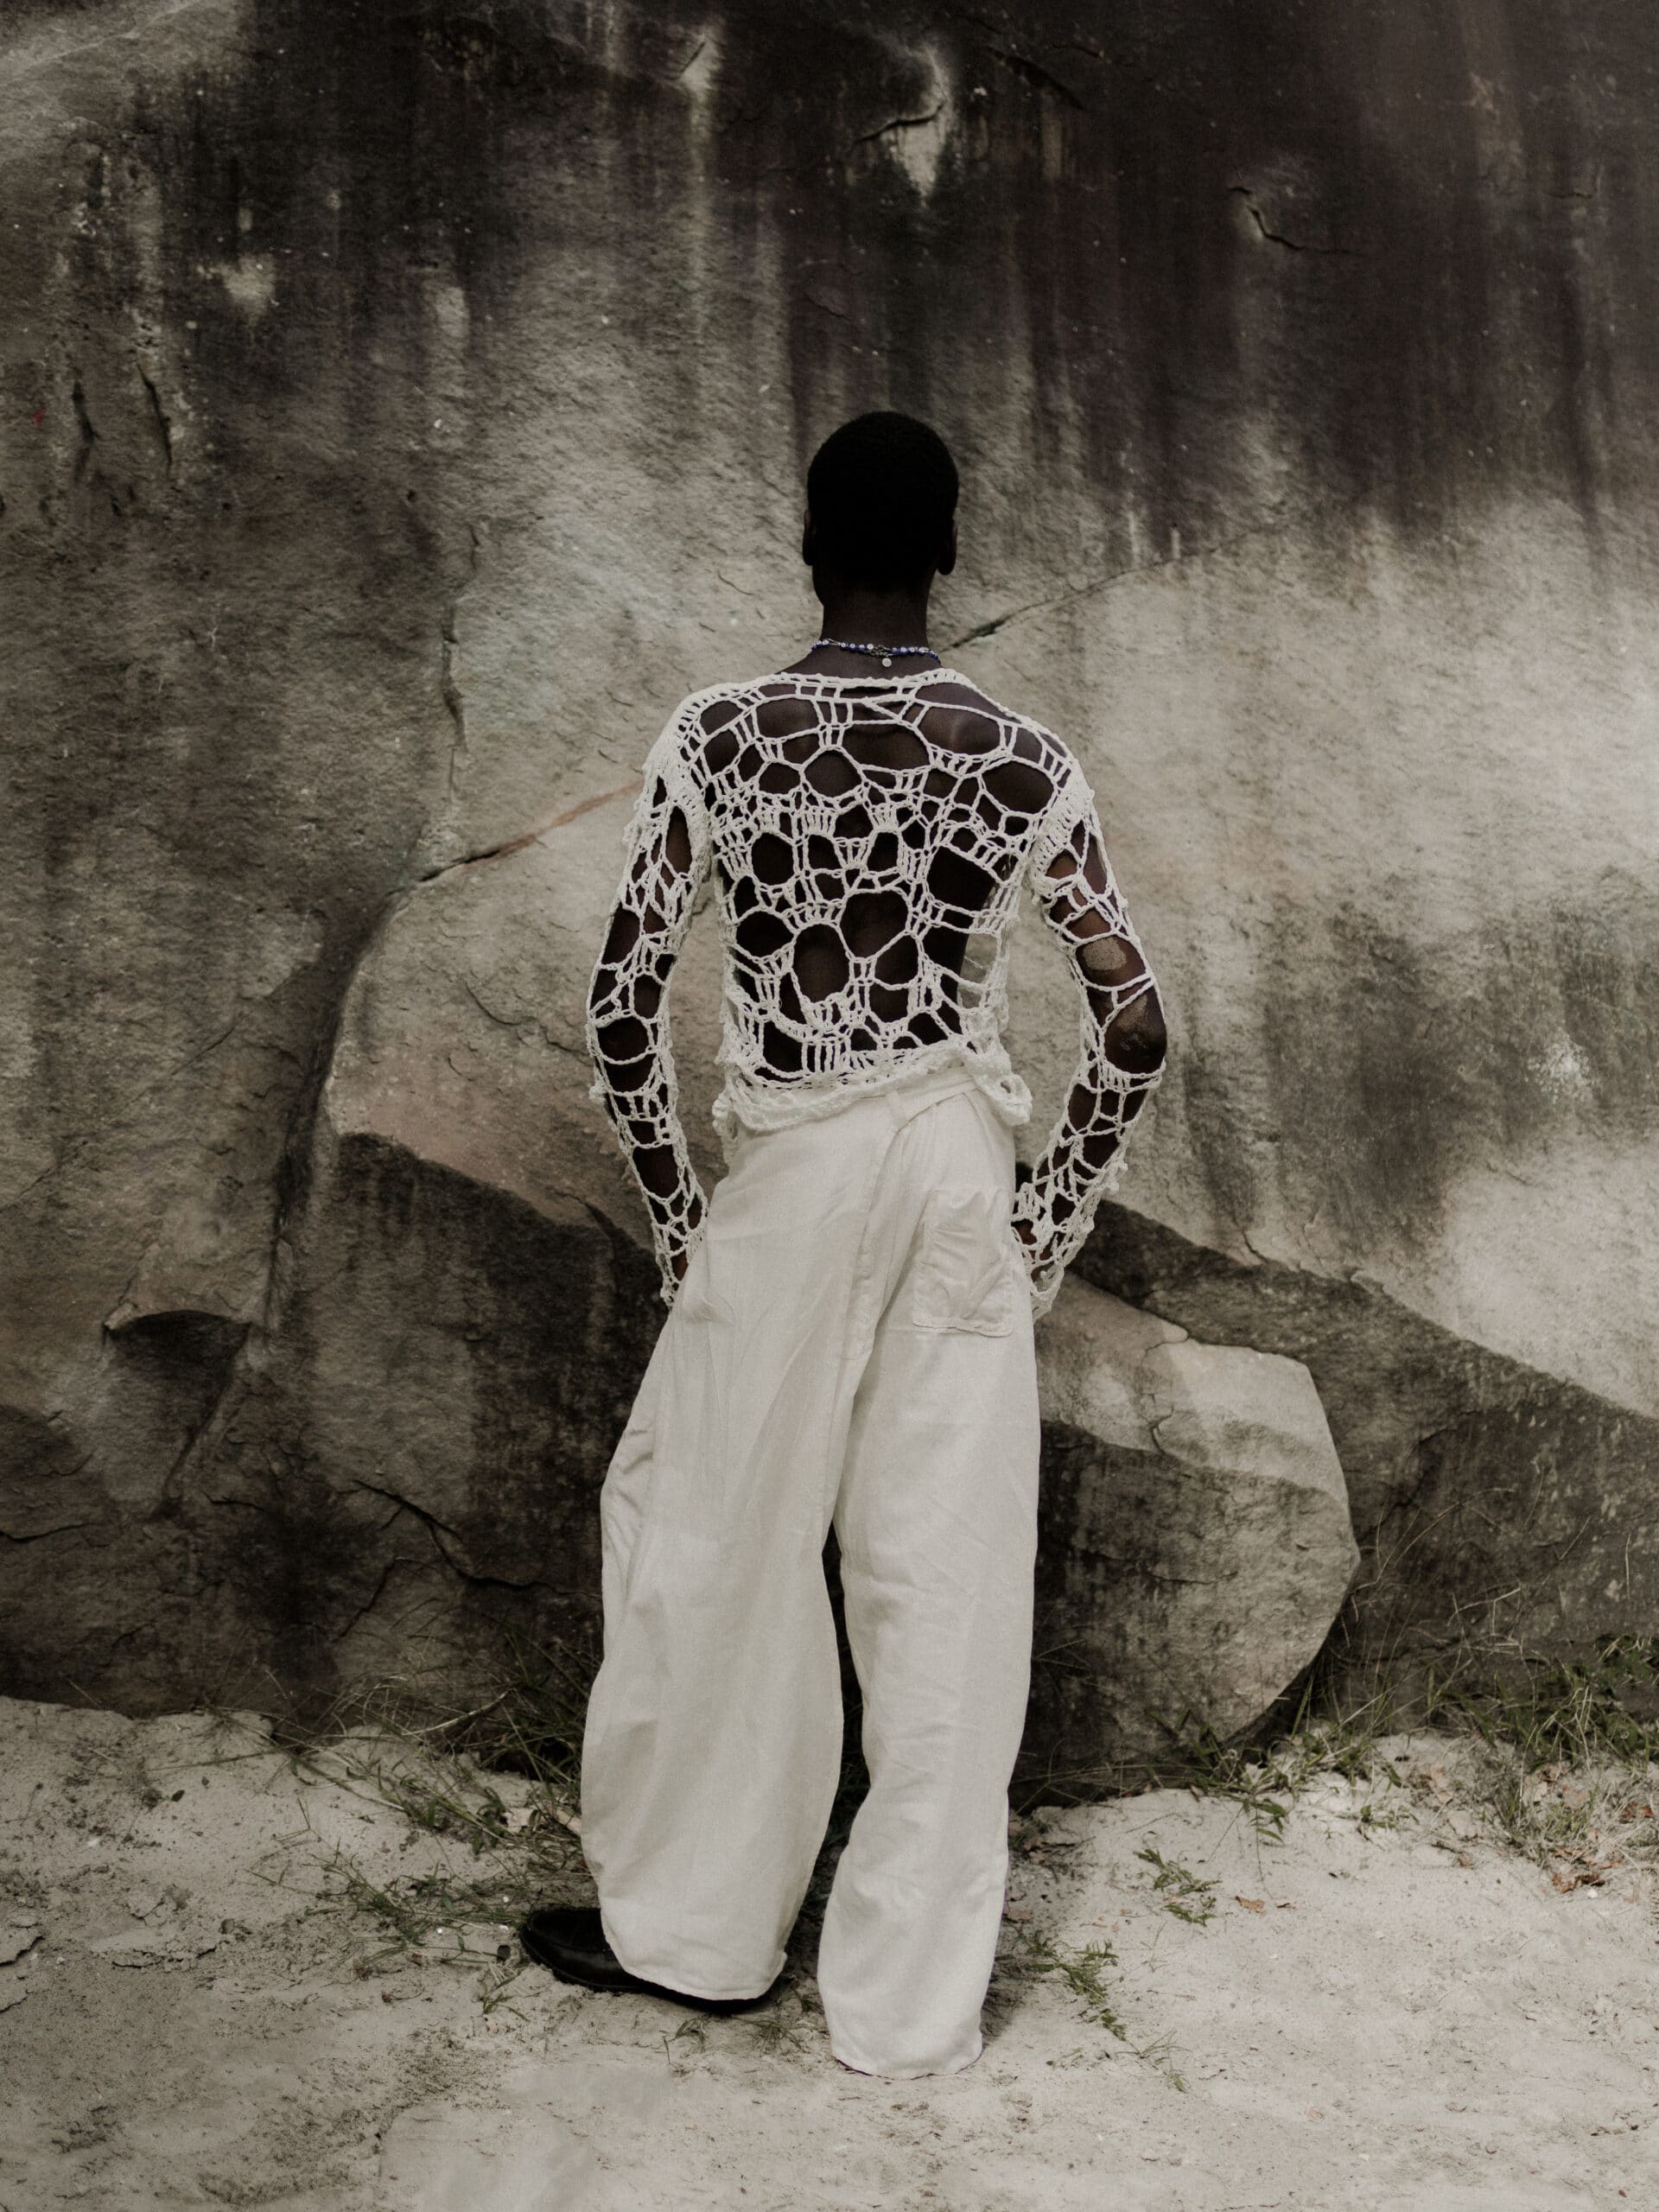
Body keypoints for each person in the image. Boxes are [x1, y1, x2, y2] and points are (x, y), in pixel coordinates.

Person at [518, 410, 1168, 2077]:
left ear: (809, 544)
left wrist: (685, 1225)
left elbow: (619, 1011)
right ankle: (908, 2007)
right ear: (946, 552)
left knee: (710, 1541)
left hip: (793, 1175)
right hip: (955, 1171)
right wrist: (1041, 1222)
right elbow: (1135, 1027)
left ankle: (699, 1934)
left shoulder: (724, 735)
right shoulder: (1023, 759)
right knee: (942, 1578)